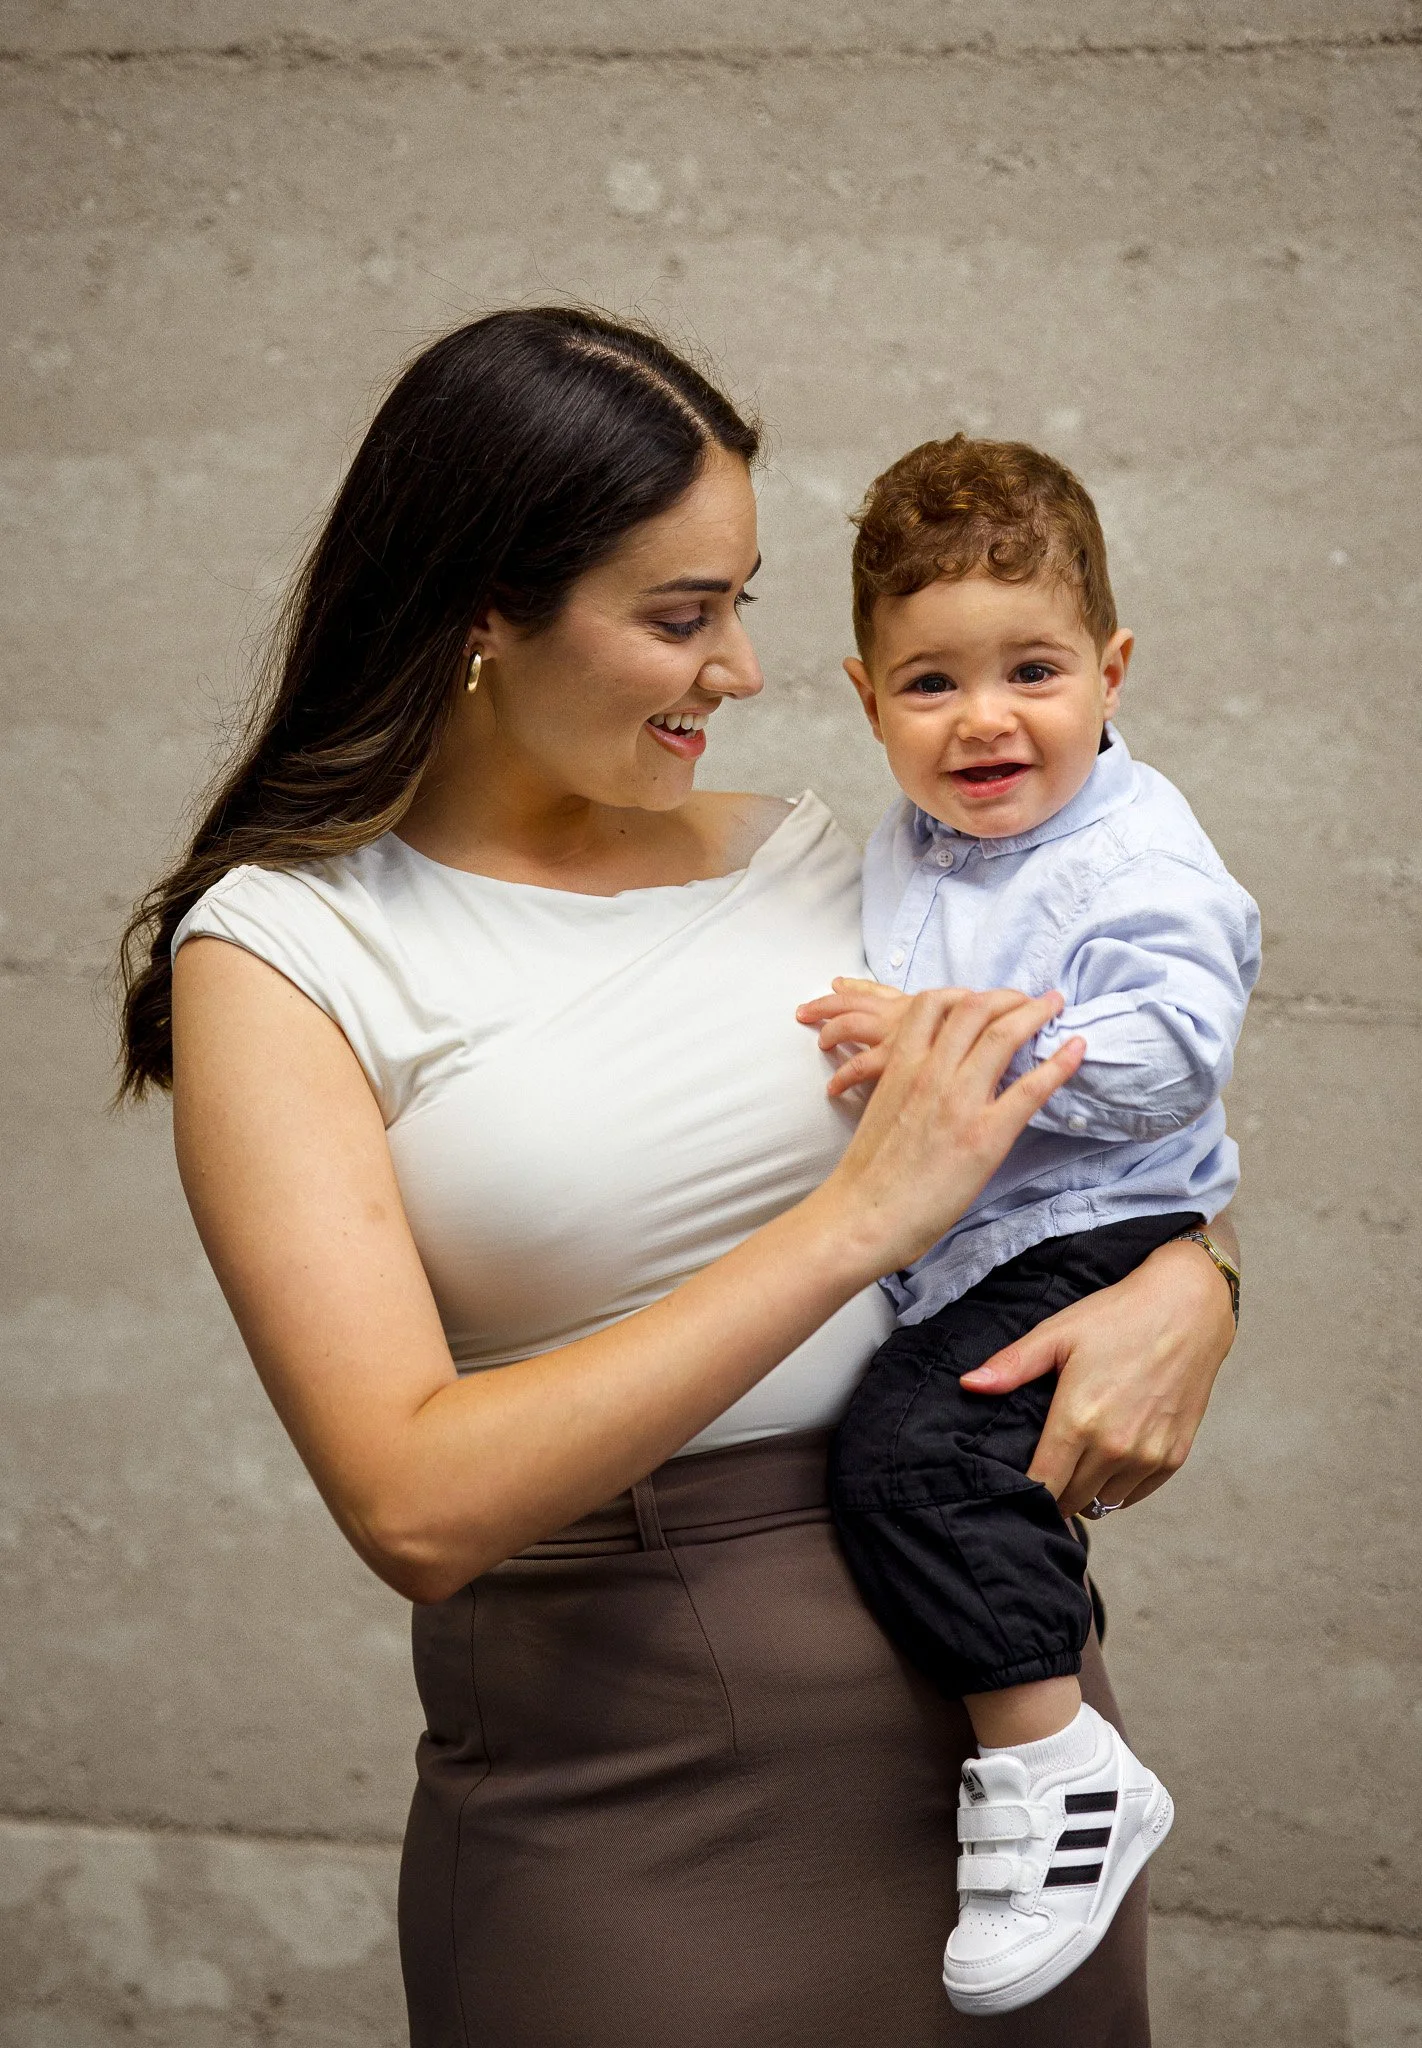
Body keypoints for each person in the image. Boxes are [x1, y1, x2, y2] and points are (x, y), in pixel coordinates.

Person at [117, 310, 1241, 2048]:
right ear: (481, 613)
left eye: (740, 600)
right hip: (622, 1799)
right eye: (678, 616)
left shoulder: (830, 856)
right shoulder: (285, 951)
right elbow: (410, 1505)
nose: (739, 671)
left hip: (1008, 1769)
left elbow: (1072, 1124)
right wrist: (855, 1219)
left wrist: (1196, 1280)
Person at [799, 435, 1258, 2018]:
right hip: (983, 1250)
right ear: (863, 697)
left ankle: (1057, 1761)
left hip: (1089, 1228)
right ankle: (1035, 1737)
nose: (982, 718)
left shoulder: (1132, 856)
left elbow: (1170, 1057)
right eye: (928, 684)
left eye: (1032, 670)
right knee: (940, 1463)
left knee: (919, 1460)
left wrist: (951, 1041)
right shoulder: (899, 843)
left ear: (1111, 667)